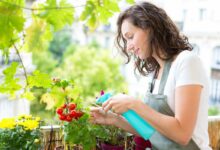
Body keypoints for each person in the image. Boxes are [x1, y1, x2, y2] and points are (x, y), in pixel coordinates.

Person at [90, 1, 211, 150]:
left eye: (130, 36)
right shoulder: (155, 73)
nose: (128, 47)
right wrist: (113, 119)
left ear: (150, 28)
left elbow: (182, 134)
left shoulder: (187, 62)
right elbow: (152, 131)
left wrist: (133, 104)